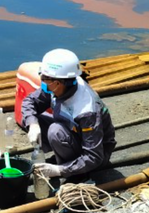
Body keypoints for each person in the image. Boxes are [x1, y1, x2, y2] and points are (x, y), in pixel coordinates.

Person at [21, 48, 116, 181]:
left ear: (58, 83)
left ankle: (74, 170)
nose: (42, 81)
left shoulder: (87, 111)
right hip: (72, 131)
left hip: (95, 153)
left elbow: (94, 156)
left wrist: (59, 170)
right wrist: (32, 124)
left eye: (44, 78)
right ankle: (64, 158)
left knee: (55, 131)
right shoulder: (57, 87)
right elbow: (30, 102)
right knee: (36, 120)